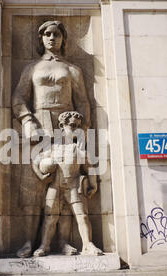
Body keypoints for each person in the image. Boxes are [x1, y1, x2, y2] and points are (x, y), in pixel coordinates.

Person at [12, 21, 93, 258]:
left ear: (63, 38)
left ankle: (64, 242)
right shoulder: (32, 68)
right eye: (47, 34)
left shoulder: (72, 69)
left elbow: (83, 103)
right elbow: (18, 97)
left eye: (56, 34)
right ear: (41, 39)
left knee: (66, 187)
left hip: (67, 127)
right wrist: (27, 121)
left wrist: (81, 134)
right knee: (33, 190)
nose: (51, 38)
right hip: (39, 129)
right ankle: (28, 241)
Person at [31, 111, 103, 256]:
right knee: (50, 217)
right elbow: (35, 161)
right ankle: (44, 246)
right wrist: (41, 176)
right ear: (62, 127)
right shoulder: (52, 148)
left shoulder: (79, 149)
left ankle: (88, 244)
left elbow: (90, 166)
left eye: (77, 126)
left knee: (82, 216)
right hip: (55, 186)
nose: (75, 129)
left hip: (74, 185)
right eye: (72, 125)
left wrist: (93, 183)